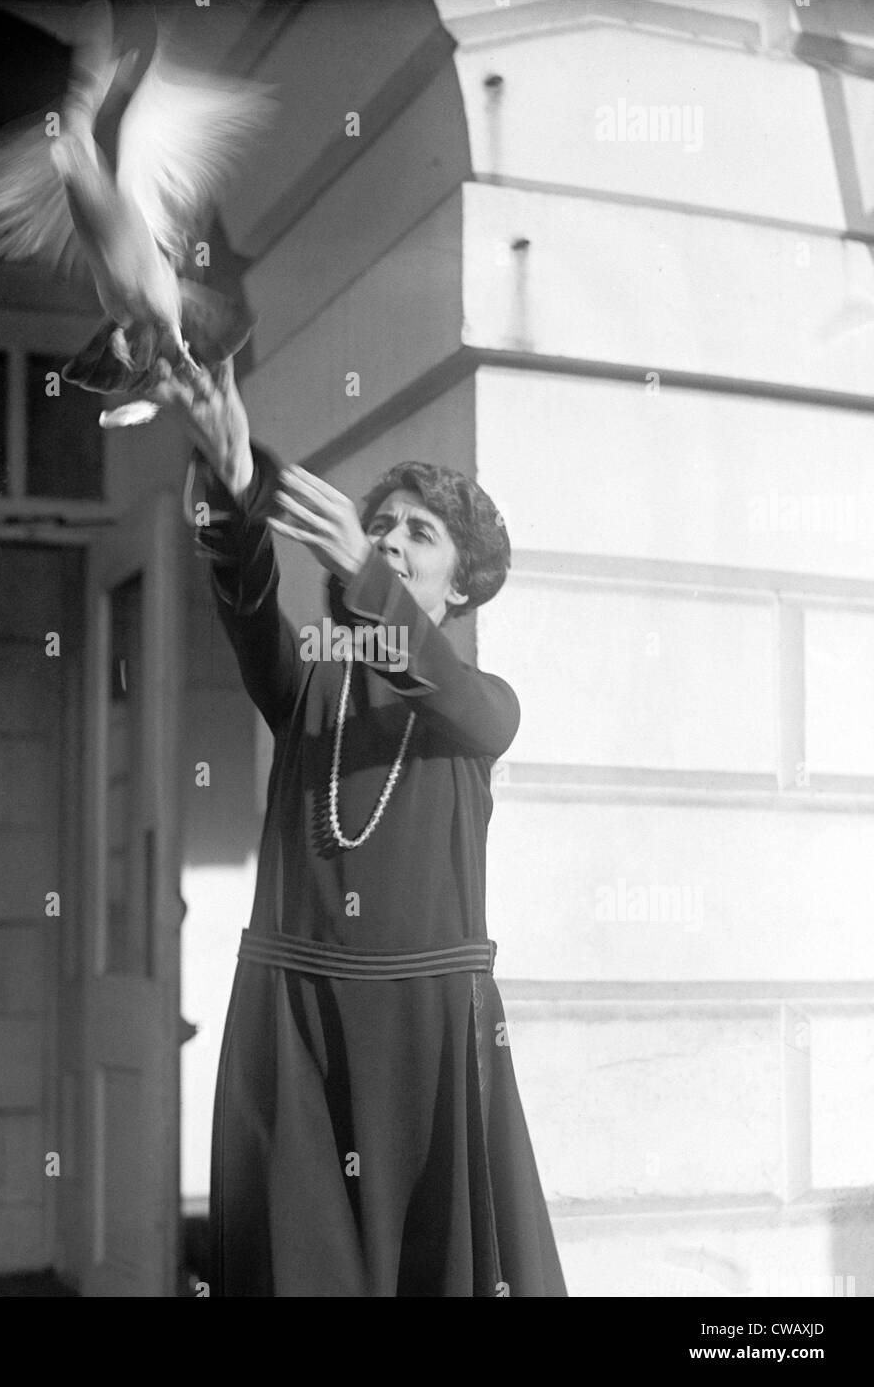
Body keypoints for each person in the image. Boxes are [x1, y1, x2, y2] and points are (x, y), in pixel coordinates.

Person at [164, 358, 567, 1298]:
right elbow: (250, 605)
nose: (388, 540)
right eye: (378, 524)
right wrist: (232, 486)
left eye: (417, 536)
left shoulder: (480, 707)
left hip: (425, 1036)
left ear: (459, 590)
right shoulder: (310, 687)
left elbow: (453, 693)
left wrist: (354, 568)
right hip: (295, 1020)